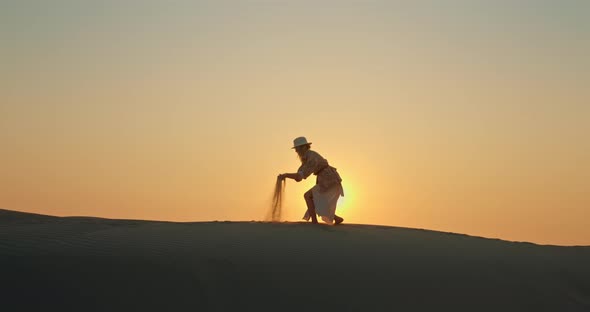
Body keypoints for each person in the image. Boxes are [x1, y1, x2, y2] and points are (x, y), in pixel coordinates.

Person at [279, 137, 345, 225]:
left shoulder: (311, 157)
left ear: (304, 147)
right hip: (326, 178)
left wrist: (286, 175)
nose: (296, 151)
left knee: (308, 196)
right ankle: (336, 218)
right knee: (317, 201)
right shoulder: (307, 157)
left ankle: (314, 222)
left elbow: (300, 176)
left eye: (297, 149)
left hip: (328, 178)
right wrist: (287, 176)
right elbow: (299, 177)